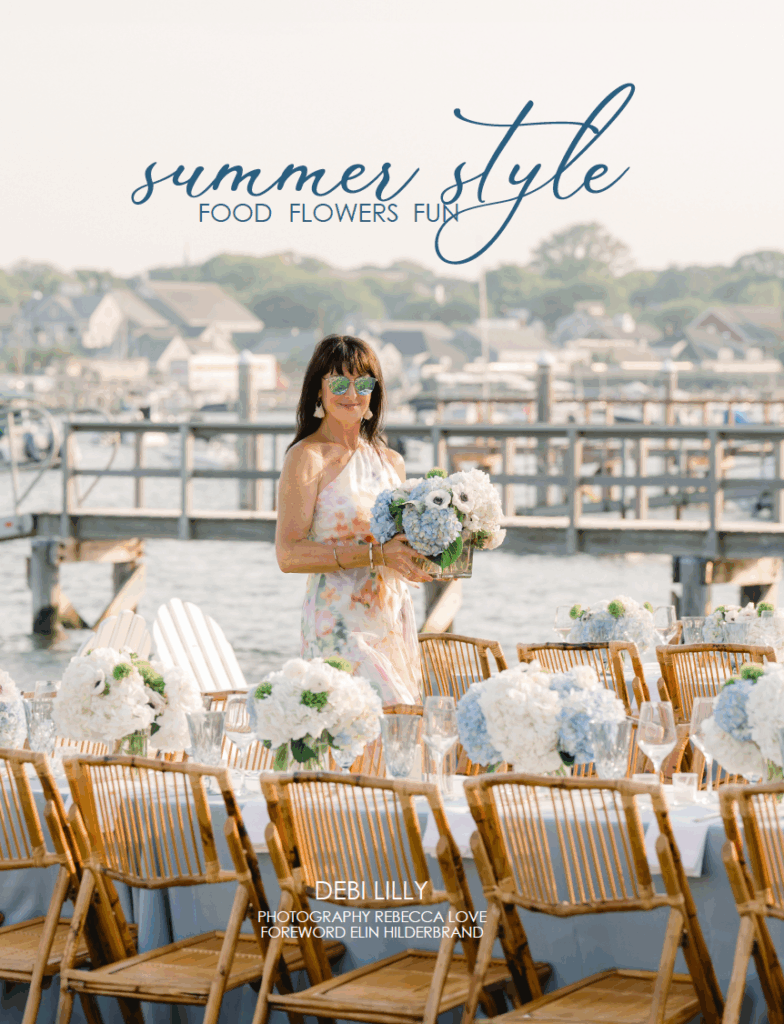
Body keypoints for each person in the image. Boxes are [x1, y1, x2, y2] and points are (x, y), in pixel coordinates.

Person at [275, 334, 431, 705]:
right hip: (339, 624)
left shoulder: (390, 461)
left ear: (374, 392)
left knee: (401, 725)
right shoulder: (306, 458)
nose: (351, 394)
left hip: (391, 618)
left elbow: (396, 546)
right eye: (338, 383)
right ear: (318, 390)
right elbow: (288, 555)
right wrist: (377, 555)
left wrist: (429, 556)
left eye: (363, 384)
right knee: (359, 725)